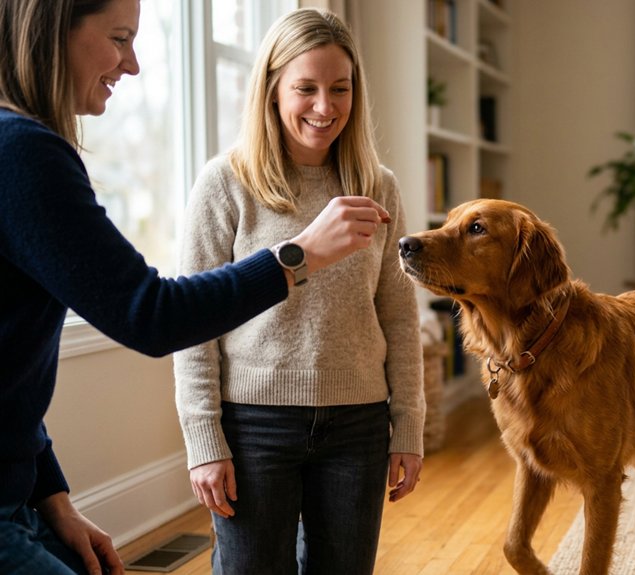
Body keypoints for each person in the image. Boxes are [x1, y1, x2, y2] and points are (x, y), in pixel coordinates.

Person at [0, 1, 392, 574]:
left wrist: (51, 496)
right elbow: (155, 313)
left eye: (340, 88)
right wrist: (299, 255)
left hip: (21, 490)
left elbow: (9, 374)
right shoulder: (23, 153)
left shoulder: (23, 149)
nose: (132, 63)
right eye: (119, 37)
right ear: (55, 30)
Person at [172, 8, 425, 575]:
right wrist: (204, 440)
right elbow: (194, 324)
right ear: (271, 89)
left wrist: (408, 425)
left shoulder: (378, 187)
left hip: (358, 425)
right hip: (253, 426)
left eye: (340, 88)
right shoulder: (225, 183)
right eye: (306, 88)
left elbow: (399, 316)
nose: (325, 106)